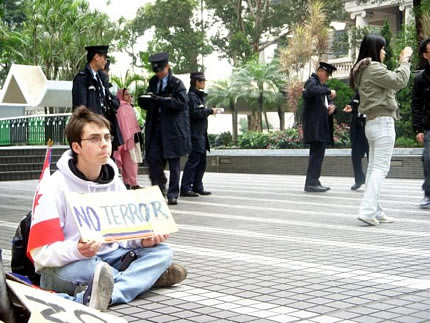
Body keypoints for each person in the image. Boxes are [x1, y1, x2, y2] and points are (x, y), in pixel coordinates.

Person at [27, 107, 187, 311]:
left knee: (162, 252)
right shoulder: (52, 186)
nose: (104, 144)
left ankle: (102, 295)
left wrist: (142, 240)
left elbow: (122, 233)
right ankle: (142, 279)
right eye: (94, 139)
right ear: (76, 146)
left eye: (107, 137)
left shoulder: (113, 180)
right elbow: (40, 254)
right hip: (72, 264)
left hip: (112, 257)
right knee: (91, 270)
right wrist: (76, 249)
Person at [350, 35, 412, 226]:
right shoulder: (373, 67)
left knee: (372, 169)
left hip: (372, 123)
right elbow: (400, 81)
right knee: (380, 168)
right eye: (383, 48)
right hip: (383, 122)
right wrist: (405, 61)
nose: (385, 52)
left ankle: (375, 209)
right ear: (375, 49)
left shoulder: (363, 70)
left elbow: (391, 87)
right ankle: (367, 211)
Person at [138, 52, 191, 205]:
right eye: (156, 71)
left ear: (167, 67)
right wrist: (145, 100)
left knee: (174, 162)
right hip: (156, 128)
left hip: (172, 130)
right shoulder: (153, 82)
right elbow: (150, 102)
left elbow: (181, 103)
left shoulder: (177, 84)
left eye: (161, 70)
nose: (159, 74)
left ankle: (173, 193)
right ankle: (159, 186)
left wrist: (162, 100)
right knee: (153, 158)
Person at [72, 45, 123, 153]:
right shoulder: (82, 78)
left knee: (108, 158)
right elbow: (80, 108)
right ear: (96, 57)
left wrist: (114, 102)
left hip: (106, 125)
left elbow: (110, 97)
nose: (105, 61)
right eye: (104, 58)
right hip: (92, 128)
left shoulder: (102, 78)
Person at [180, 72, 218, 197]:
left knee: (202, 162)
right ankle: (186, 188)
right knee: (194, 161)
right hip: (195, 135)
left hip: (201, 134)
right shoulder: (191, 97)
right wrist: (210, 111)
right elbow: (195, 113)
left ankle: (197, 186)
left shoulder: (198, 96)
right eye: (203, 81)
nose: (204, 83)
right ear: (197, 82)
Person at [302, 62, 337, 193]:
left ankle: (314, 180)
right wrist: (329, 91)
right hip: (315, 126)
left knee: (318, 155)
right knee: (316, 155)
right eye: (326, 74)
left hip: (321, 127)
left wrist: (332, 107)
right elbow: (312, 91)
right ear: (320, 71)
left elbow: (328, 100)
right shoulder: (311, 82)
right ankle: (311, 183)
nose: (327, 77)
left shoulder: (322, 86)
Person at [412, 37, 430, 208]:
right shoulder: (421, 79)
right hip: (429, 126)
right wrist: (418, 129)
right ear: (425, 55)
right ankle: (428, 194)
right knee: (428, 158)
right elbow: (416, 106)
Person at [114, 88, 143, 190]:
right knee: (131, 161)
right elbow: (122, 124)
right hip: (126, 138)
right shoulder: (121, 108)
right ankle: (133, 183)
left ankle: (127, 182)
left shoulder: (128, 107)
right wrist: (127, 137)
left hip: (131, 138)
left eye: (130, 95)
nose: (129, 97)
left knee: (128, 161)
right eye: (126, 95)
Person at [343, 92, 369, 190]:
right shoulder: (358, 93)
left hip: (369, 124)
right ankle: (359, 179)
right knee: (355, 155)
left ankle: (372, 180)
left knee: (371, 154)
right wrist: (350, 108)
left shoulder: (373, 90)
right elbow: (353, 104)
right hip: (358, 127)